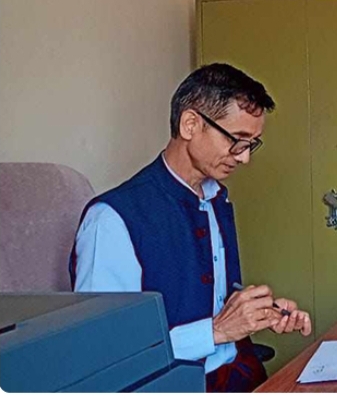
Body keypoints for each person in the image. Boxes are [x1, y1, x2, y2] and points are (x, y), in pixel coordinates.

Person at [70, 63, 311, 393]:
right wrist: (217, 331)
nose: (244, 158)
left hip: (238, 375)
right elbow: (104, 355)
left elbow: (203, 298)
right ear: (190, 124)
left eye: (251, 144)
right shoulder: (111, 220)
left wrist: (258, 314)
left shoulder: (216, 199)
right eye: (237, 141)